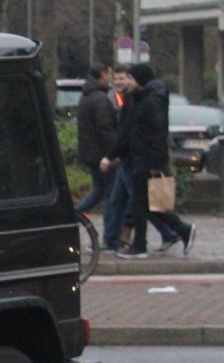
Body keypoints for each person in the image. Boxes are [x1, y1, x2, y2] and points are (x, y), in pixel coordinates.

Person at [101, 63, 196, 258]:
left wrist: (154, 163)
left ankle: (141, 245)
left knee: (141, 203)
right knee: (143, 203)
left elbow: (154, 134)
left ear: (140, 80)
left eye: (131, 78)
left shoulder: (150, 101)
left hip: (144, 160)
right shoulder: (142, 98)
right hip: (139, 158)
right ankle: (178, 230)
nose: (127, 81)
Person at [74, 61, 117, 214]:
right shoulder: (101, 99)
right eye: (110, 74)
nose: (111, 78)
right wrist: (113, 153)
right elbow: (105, 128)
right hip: (101, 155)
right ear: (103, 74)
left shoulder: (86, 96)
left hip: (91, 153)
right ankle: (74, 215)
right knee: (111, 193)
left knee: (99, 191)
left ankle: (75, 214)